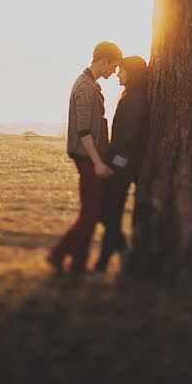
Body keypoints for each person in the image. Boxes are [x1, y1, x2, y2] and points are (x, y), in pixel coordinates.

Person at [48, 41, 122, 275]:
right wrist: (98, 162)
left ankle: (77, 264)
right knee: (90, 213)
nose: (115, 71)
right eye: (114, 66)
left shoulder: (91, 84)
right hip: (87, 158)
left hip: (90, 158)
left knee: (91, 212)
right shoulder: (85, 87)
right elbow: (83, 131)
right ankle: (59, 254)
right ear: (104, 61)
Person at [93, 55, 149, 274]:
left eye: (122, 70)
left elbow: (128, 140)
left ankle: (104, 262)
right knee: (108, 212)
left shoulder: (136, 99)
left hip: (123, 166)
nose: (117, 73)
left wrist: (115, 166)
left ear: (132, 73)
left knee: (110, 212)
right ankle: (120, 249)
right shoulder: (132, 95)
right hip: (120, 164)